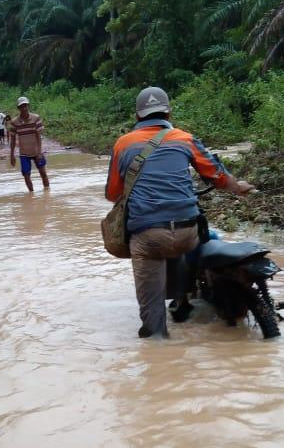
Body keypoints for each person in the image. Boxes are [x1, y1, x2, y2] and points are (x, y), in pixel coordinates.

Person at [105, 86, 255, 339]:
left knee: (153, 322)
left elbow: (112, 193)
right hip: (187, 232)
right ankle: (201, 294)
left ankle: (157, 340)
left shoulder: (123, 144)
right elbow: (218, 176)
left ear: (138, 116)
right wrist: (238, 187)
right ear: (168, 112)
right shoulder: (184, 138)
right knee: (208, 238)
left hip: (148, 237)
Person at [9, 96, 50, 191]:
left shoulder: (36, 118)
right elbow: (13, 139)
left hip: (36, 152)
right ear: (18, 108)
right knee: (26, 175)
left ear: (28, 106)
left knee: (43, 173)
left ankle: (47, 193)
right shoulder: (14, 122)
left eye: (25, 106)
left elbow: (38, 137)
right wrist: (12, 155)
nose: (24, 108)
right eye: (21, 106)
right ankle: (31, 195)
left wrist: (39, 152)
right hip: (24, 154)